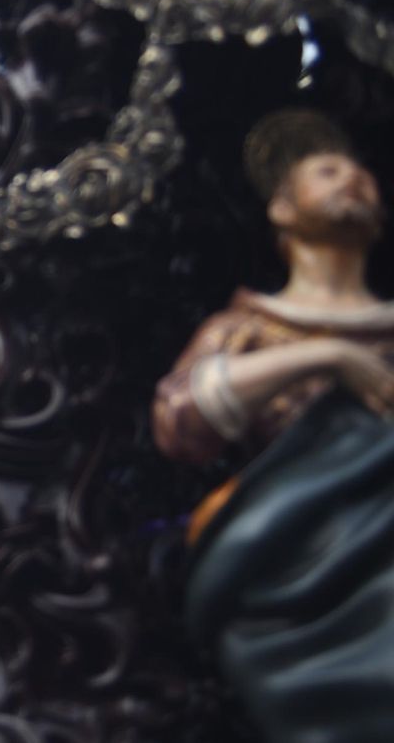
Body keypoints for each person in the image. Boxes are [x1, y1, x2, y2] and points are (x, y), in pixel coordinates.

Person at [152, 106, 394, 741]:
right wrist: (328, 356)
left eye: (362, 173)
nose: (354, 180)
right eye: (328, 171)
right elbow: (181, 421)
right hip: (308, 578)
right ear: (283, 210)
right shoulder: (249, 328)